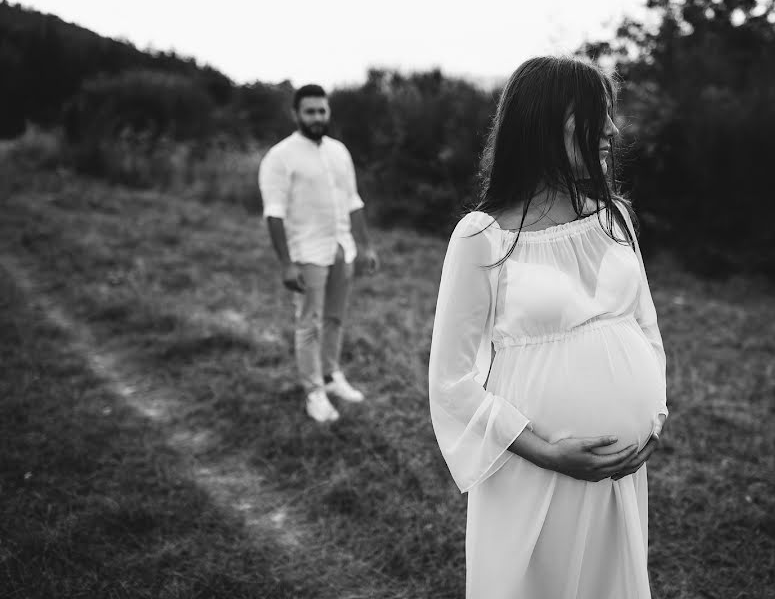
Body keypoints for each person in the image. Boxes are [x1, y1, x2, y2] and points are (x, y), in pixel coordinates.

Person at [428, 56, 668, 599]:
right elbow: (451, 381)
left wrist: (653, 416)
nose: (611, 130)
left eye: (610, 114)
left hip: (621, 476)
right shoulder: (481, 237)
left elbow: (644, 323)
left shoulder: (615, 217)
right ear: (541, 125)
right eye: (593, 115)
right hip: (534, 474)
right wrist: (547, 452)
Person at [259, 84, 379, 423]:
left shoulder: (340, 151)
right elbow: (274, 212)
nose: (317, 117)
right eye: (310, 111)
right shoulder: (279, 157)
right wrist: (286, 263)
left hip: (342, 248)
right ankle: (313, 391)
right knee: (309, 323)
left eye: (322, 111)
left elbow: (353, 201)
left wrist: (365, 244)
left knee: (335, 319)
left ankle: (330, 376)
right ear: (295, 114)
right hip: (307, 253)